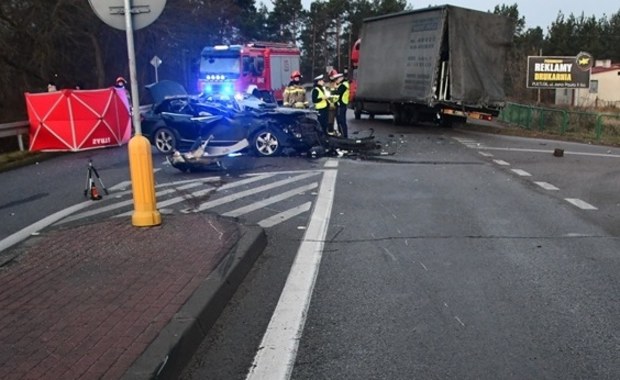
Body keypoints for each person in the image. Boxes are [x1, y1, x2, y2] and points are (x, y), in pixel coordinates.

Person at [332, 72, 349, 138]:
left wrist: (330, 91)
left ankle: (343, 136)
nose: (336, 81)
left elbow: (338, 92)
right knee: (342, 121)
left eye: (337, 79)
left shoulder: (343, 85)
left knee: (340, 121)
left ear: (341, 78)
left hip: (340, 105)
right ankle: (344, 135)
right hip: (342, 105)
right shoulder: (343, 84)